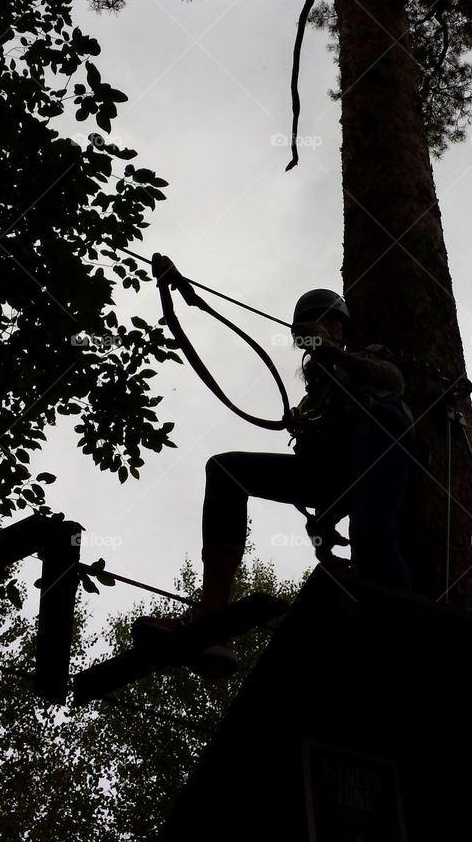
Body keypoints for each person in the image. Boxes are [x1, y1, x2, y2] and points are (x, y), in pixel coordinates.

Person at [136, 289, 415, 675]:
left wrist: (328, 351)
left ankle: (413, 641)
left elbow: (393, 382)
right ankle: (211, 617)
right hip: (337, 473)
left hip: (380, 441)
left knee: (371, 532)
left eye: (332, 321)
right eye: (321, 322)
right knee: (225, 470)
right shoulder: (312, 403)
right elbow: (320, 475)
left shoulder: (365, 360)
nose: (327, 327)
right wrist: (321, 520)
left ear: (341, 329)